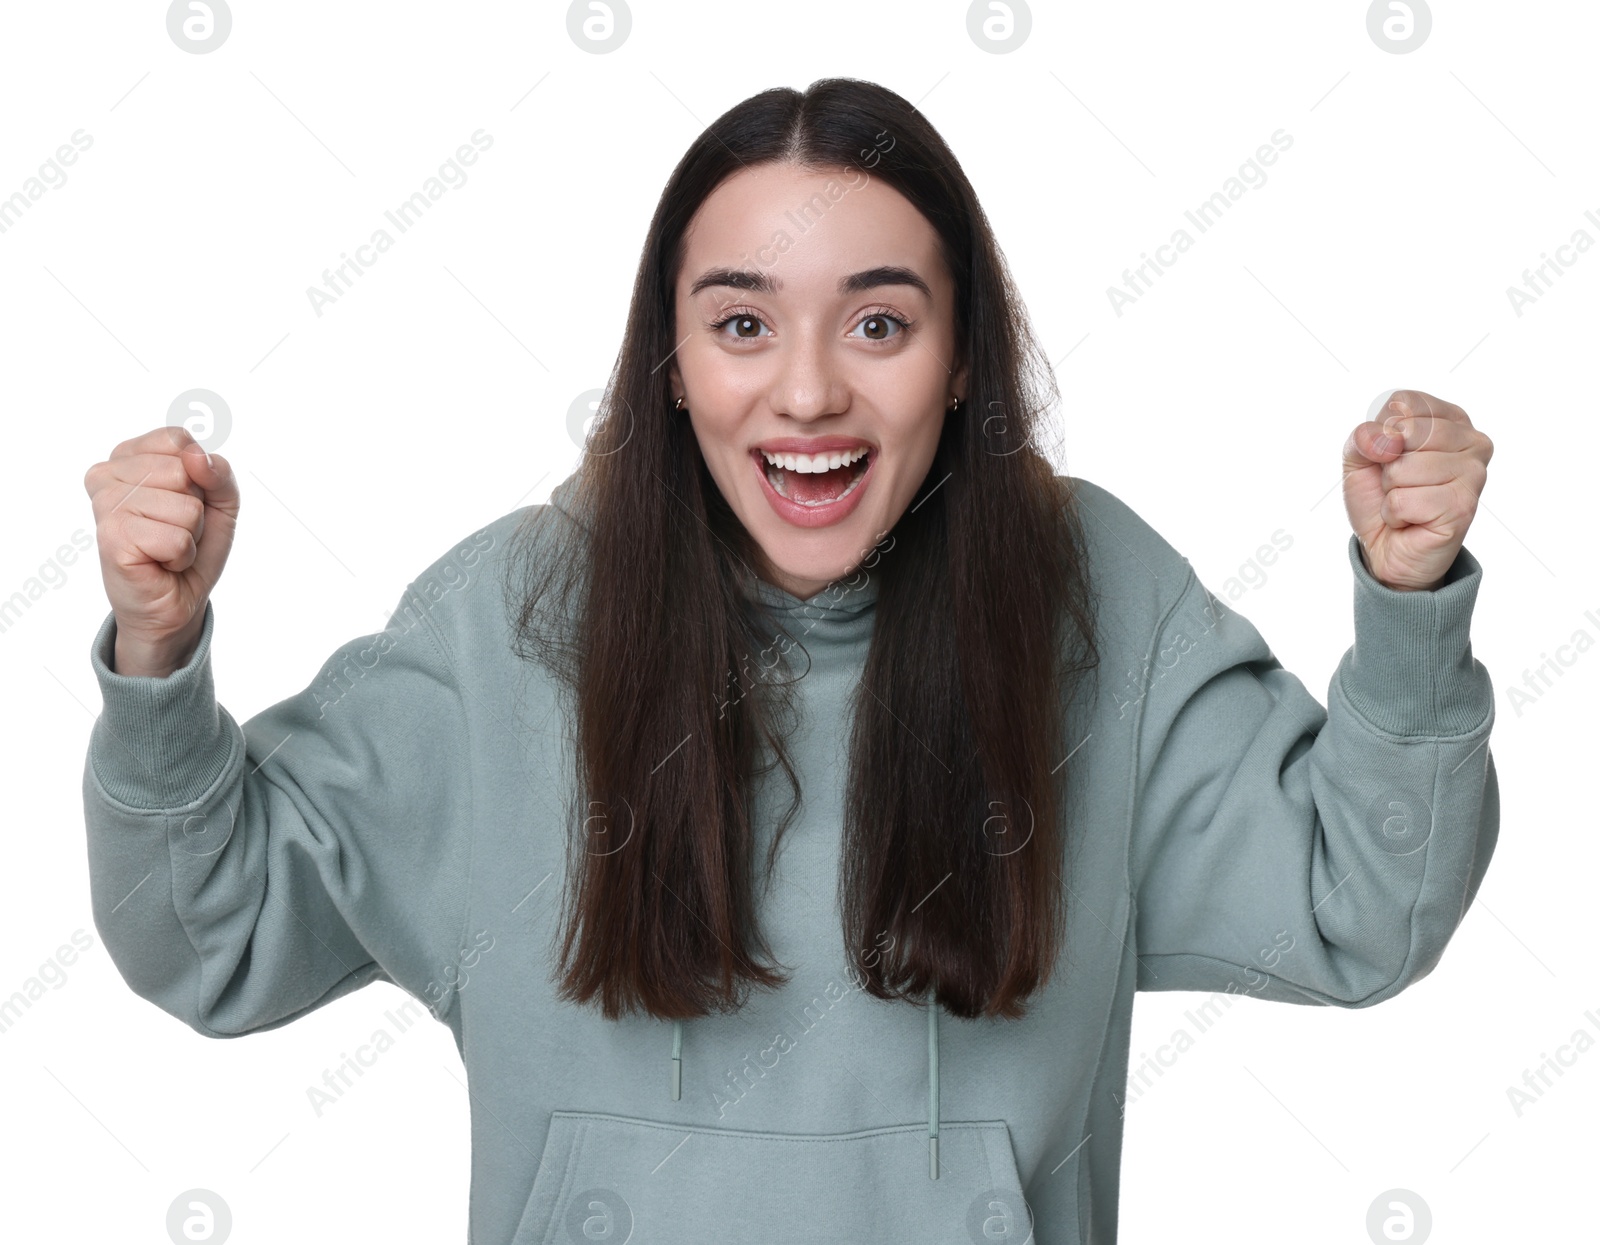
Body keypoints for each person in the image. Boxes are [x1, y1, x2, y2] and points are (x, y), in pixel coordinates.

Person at [81, 78, 1497, 1245]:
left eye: (879, 322)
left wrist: (1408, 600)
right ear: (673, 362)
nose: (809, 388)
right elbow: (210, 936)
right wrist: (160, 652)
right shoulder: (510, 616)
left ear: (959, 362)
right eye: (743, 323)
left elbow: (1362, 905)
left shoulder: (1091, 601)